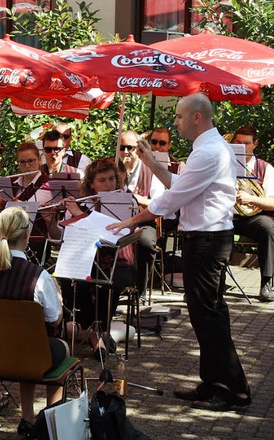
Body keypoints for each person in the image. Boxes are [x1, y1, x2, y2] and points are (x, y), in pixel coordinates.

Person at [108, 93, 251, 411]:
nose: (175, 122)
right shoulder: (206, 148)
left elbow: (171, 200)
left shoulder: (209, 151)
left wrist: (130, 220)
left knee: (209, 316)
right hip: (204, 239)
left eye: (180, 116)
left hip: (207, 240)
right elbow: (178, 184)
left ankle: (233, 390)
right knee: (205, 314)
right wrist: (149, 163)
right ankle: (213, 382)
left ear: (197, 117)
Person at [0, 207, 66, 437]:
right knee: (60, 346)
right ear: (26, 236)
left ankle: (27, 419)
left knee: (29, 346)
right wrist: (59, 298)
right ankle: (48, 423)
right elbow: (54, 320)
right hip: (29, 357)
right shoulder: (38, 275)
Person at [57, 158, 135, 360]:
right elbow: (70, 236)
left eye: (112, 179)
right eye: (102, 180)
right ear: (91, 183)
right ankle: (90, 329)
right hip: (87, 256)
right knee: (71, 277)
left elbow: (126, 231)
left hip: (117, 258)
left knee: (113, 281)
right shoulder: (79, 204)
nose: (109, 185)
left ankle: (98, 330)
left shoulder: (127, 201)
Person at [118, 130, 166, 304]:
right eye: (121, 147)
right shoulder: (113, 170)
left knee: (146, 242)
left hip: (143, 221)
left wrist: (137, 198)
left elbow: (159, 203)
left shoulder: (151, 172)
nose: (125, 152)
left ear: (138, 149)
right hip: (117, 221)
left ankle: (141, 289)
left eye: (129, 148)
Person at [231, 126, 274, 301]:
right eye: (238, 143)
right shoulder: (224, 165)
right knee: (215, 226)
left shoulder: (265, 168)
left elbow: (272, 202)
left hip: (253, 217)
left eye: (246, 143)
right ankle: (217, 282)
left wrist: (251, 199)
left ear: (255, 144)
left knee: (268, 227)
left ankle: (266, 282)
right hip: (229, 215)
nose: (241, 147)